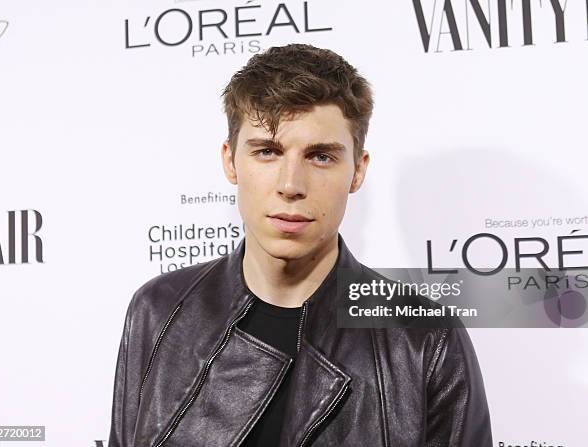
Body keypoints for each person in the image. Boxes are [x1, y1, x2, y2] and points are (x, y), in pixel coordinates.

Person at [108, 43, 492, 446]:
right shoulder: (161, 310)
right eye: (267, 152)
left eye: (321, 157)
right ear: (230, 161)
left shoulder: (424, 339)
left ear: (358, 171)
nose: (291, 185)